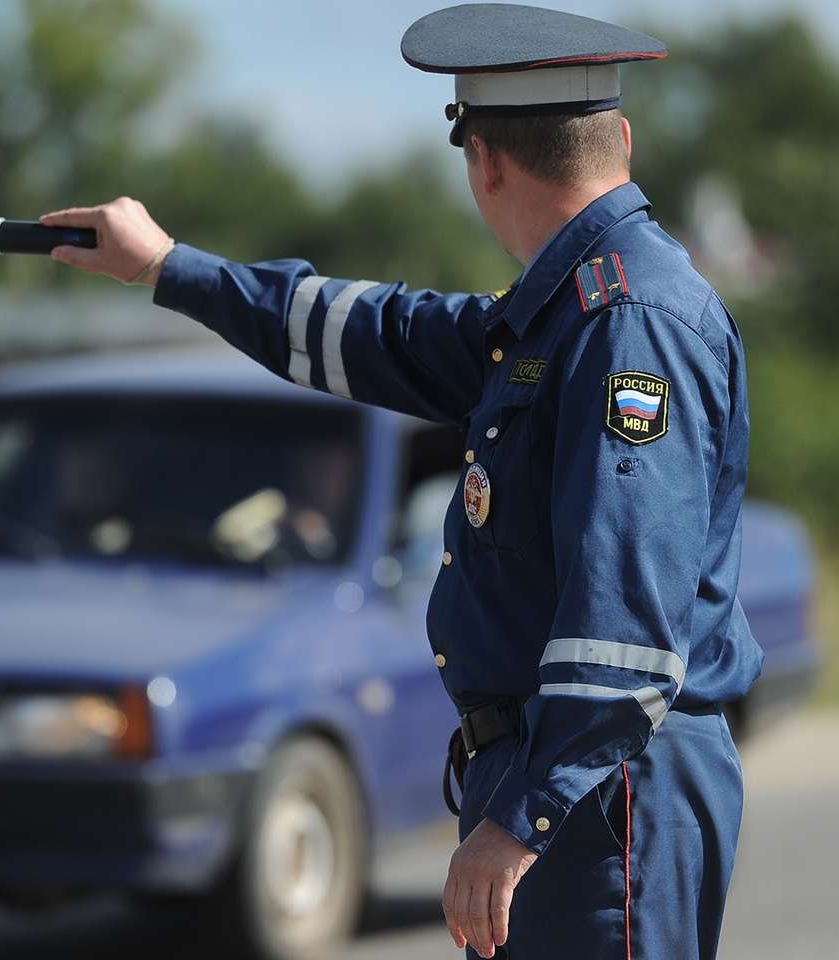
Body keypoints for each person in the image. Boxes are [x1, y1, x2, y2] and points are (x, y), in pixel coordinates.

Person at [40, 5, 762, 958]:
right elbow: (376, 332)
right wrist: (172, 269)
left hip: (599, 791)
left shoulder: (626, 321)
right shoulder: (565, 309)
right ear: (618, 139)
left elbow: (625, 625)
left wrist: (521, 823)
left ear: (486, 162)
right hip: (574, 782)